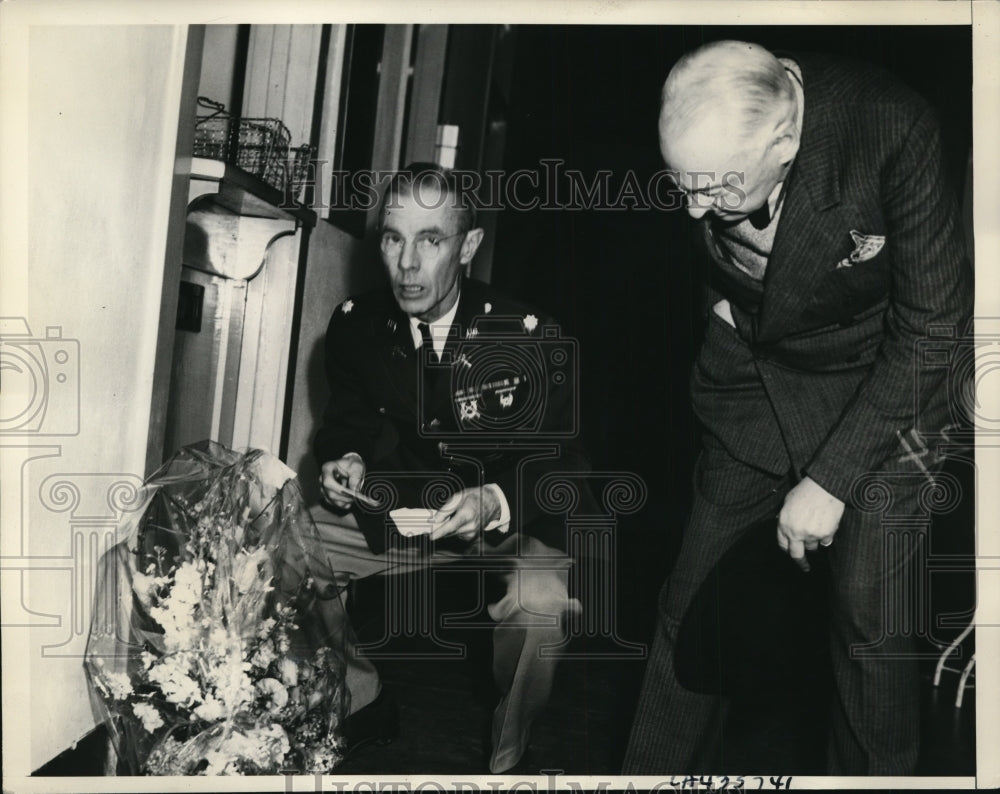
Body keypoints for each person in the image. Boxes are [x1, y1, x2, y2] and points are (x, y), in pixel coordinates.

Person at [623, 41, 972, 775]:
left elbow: (934, 327)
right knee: (689, 612)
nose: (690, 209)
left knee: (869, 622)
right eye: (679, 184)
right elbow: (721, 267)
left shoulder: (893, 129)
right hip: (755, 378)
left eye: (712, 187)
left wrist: (832, 478)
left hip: (890, 388)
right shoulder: (718, 149)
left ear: (784, 142)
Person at [310, 163, 594, 774]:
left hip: (505, 521)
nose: (407, 264)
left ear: (467, 246)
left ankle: (507, 757)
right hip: (399, 514)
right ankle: (361, 699)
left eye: (430, 239)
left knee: (541, 605)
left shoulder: (528, 336)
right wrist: (344, 459)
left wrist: (493, 501)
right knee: (282, 550)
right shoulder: (356, 325)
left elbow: (565, 466)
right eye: (393, 237)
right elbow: (347, 422)